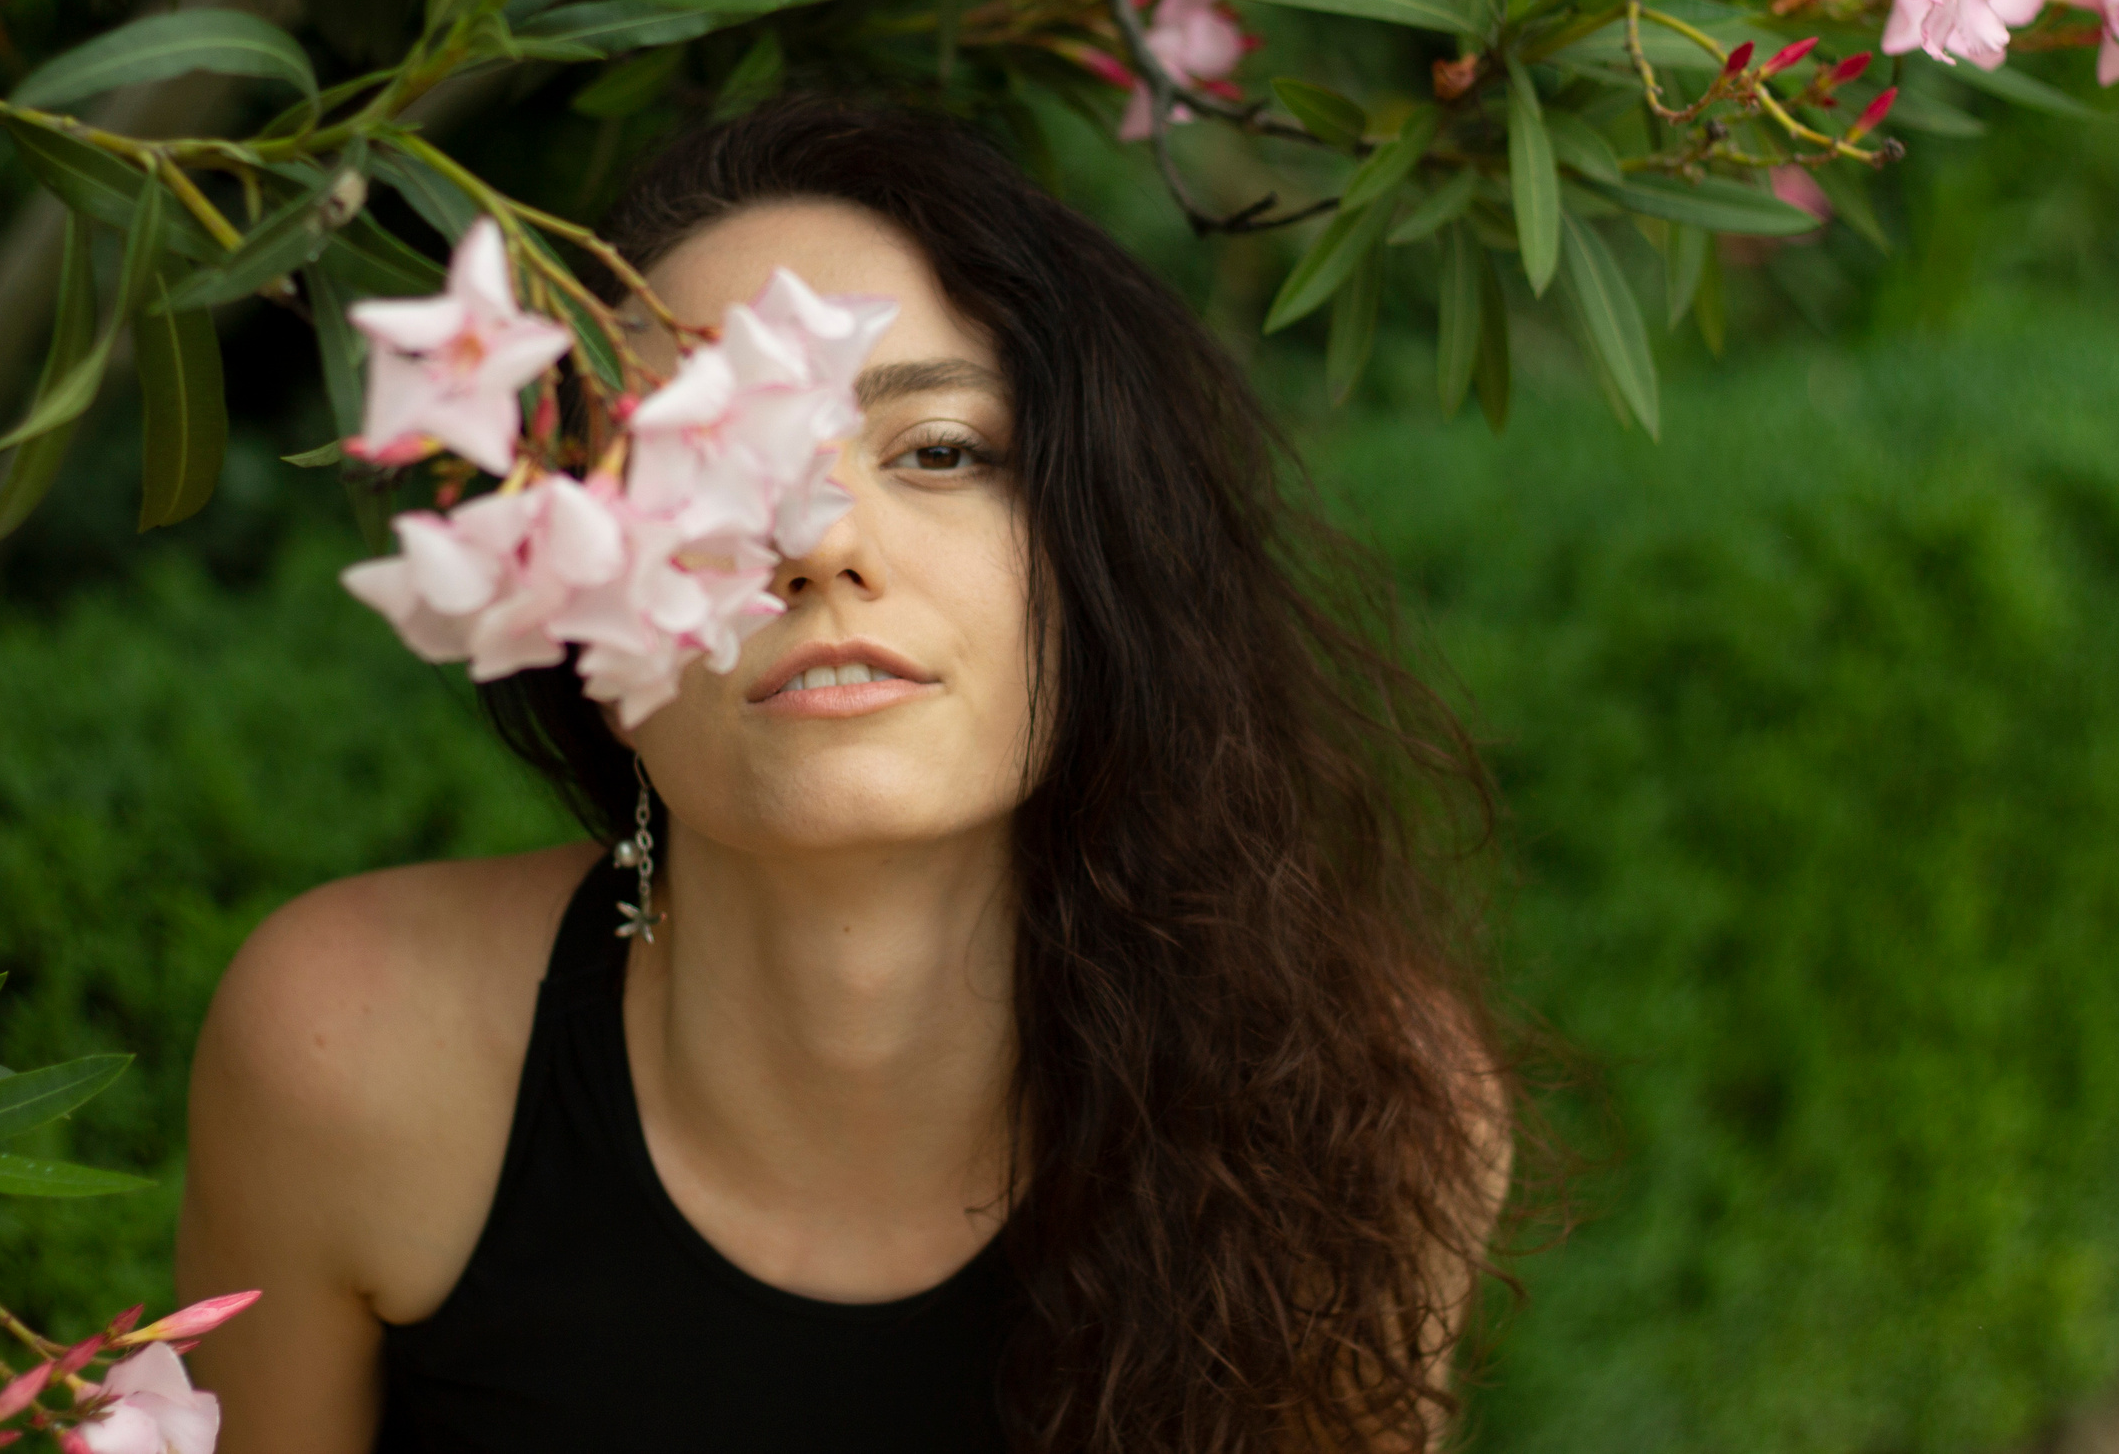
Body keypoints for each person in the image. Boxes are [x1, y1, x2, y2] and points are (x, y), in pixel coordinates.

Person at [175, 97, 1515, 1454]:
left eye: (938, 451)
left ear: (1104, 555)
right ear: (580, 614)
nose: (817, 546)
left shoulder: (1370, 1117)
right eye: (707, 465)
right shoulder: (348, 1053)